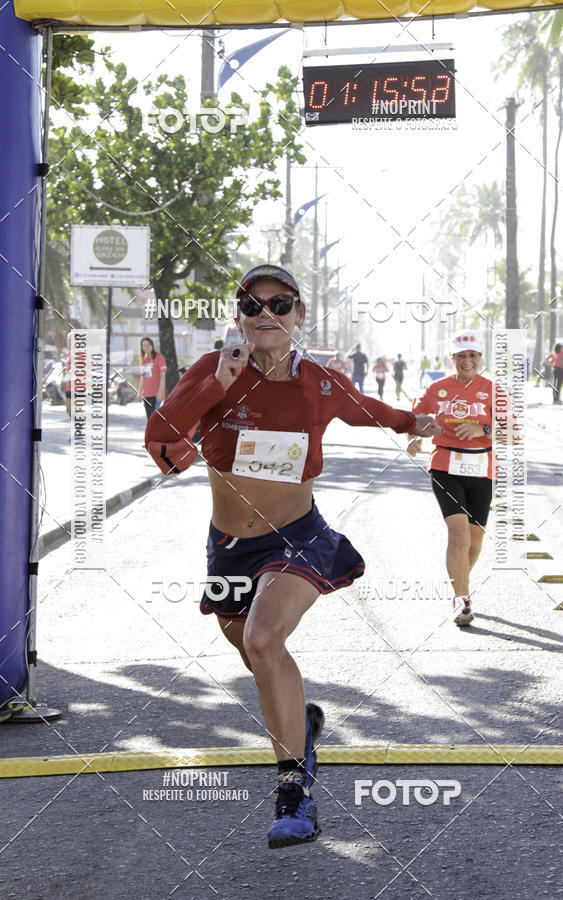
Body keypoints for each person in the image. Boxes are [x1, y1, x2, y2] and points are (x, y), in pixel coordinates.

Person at [144, 263, 438, 848]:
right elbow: (160, 435)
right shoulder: (214, 369)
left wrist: (416, 422)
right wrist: (216, 385)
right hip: (229, 547)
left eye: (280, 304)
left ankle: (293, 791)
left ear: (299, 314)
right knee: (255, 653)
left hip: (297, 537)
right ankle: (300, 725)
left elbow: (366, 408)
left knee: (262, 640)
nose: (266, 314)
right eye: (252, 305)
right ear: (239, 317)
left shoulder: (320, 383)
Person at [409, 330, 512, 627]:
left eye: (473, 355)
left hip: (482, 468)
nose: (467, 361)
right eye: (461, 356)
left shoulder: (493, 390)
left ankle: (461, 580)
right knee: (458, 535)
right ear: (451, 358)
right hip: (445, 466)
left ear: (480, 358)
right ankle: (461, 600)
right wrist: (414, 437)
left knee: (474, 541)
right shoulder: (437, 388)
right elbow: (415, 418)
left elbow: (514, 431)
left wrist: (484, 430)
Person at [137, 337, 167, 420]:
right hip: (146, 394)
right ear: (142, 348)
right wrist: (139, 393)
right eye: (144, 345)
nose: (146, 347)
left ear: (152, 345)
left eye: (148, 344)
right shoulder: (144, 360)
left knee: (154, 419)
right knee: (149, 419)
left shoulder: (159, 357)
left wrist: (160, 392)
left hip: (156, 394)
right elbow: (142, 378)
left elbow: (163, 376)